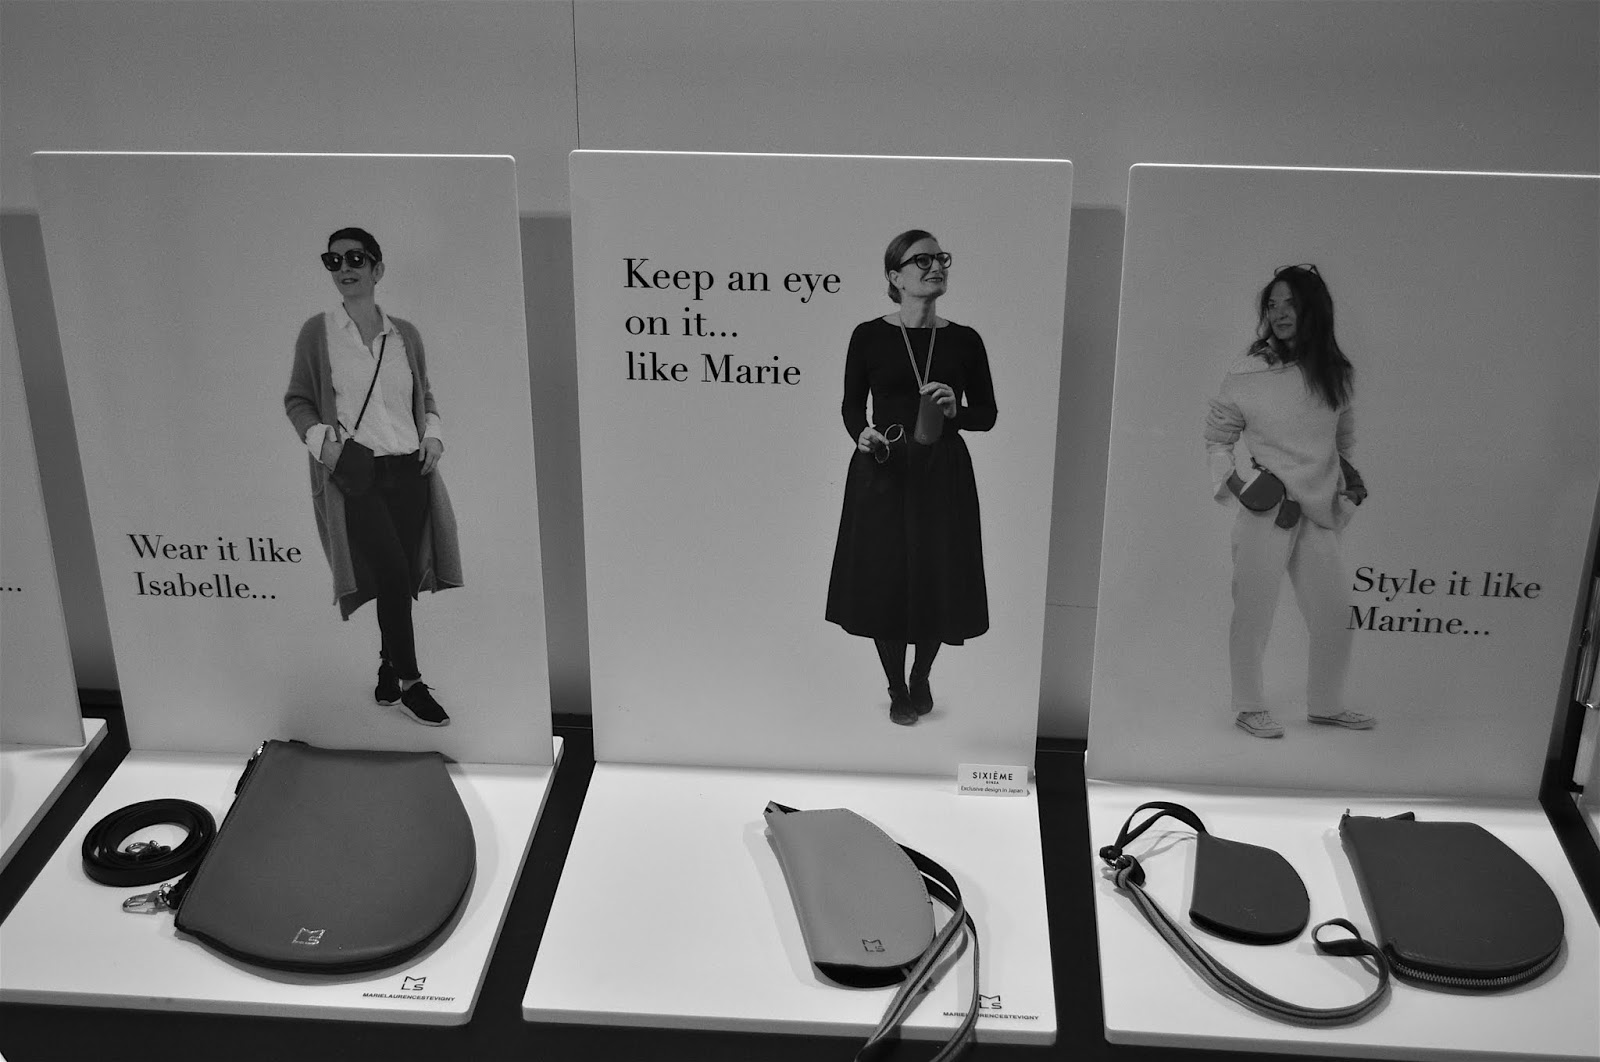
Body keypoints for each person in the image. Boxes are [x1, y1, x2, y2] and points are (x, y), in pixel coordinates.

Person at [285, 227, 463, 727]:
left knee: (397, 579)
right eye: (334, 260)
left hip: (409, 470)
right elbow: (298, 400)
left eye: (356, 258)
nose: (345, 268)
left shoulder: (405, 335)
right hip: (358, 475)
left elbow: (424, 394)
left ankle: (387, 668)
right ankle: (410, 684)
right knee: (391, 571)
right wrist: (327, 448)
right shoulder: (318, 334)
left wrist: (434, 436)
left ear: (378, 268)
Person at [826, 229, 995, 726]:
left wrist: (955, 410)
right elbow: (851, 405)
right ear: (894, 276)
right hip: (883, 468)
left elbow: (986, 415)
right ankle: (896, 686)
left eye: (941, 258)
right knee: (885, 577)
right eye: (921, 261)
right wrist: (860, 433)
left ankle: (921, 675)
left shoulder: (965, 340)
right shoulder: (868, 335)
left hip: (942, 471)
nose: (936, 266)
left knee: (937, 575)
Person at [1204, 263, 1372, 739]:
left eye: (1290, 303)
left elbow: (1341, 440)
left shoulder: (1336, 373)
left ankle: (1326, 705)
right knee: (1253, 611)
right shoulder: (1248, 372)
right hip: (1269, 510)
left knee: (1334, 613)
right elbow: (1218, 438)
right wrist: (1239, 486)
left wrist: (1349, 484)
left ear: (1313, 309)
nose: (1279, 313)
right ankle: (1248, 707)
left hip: (1318, 510)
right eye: (1272, 304)